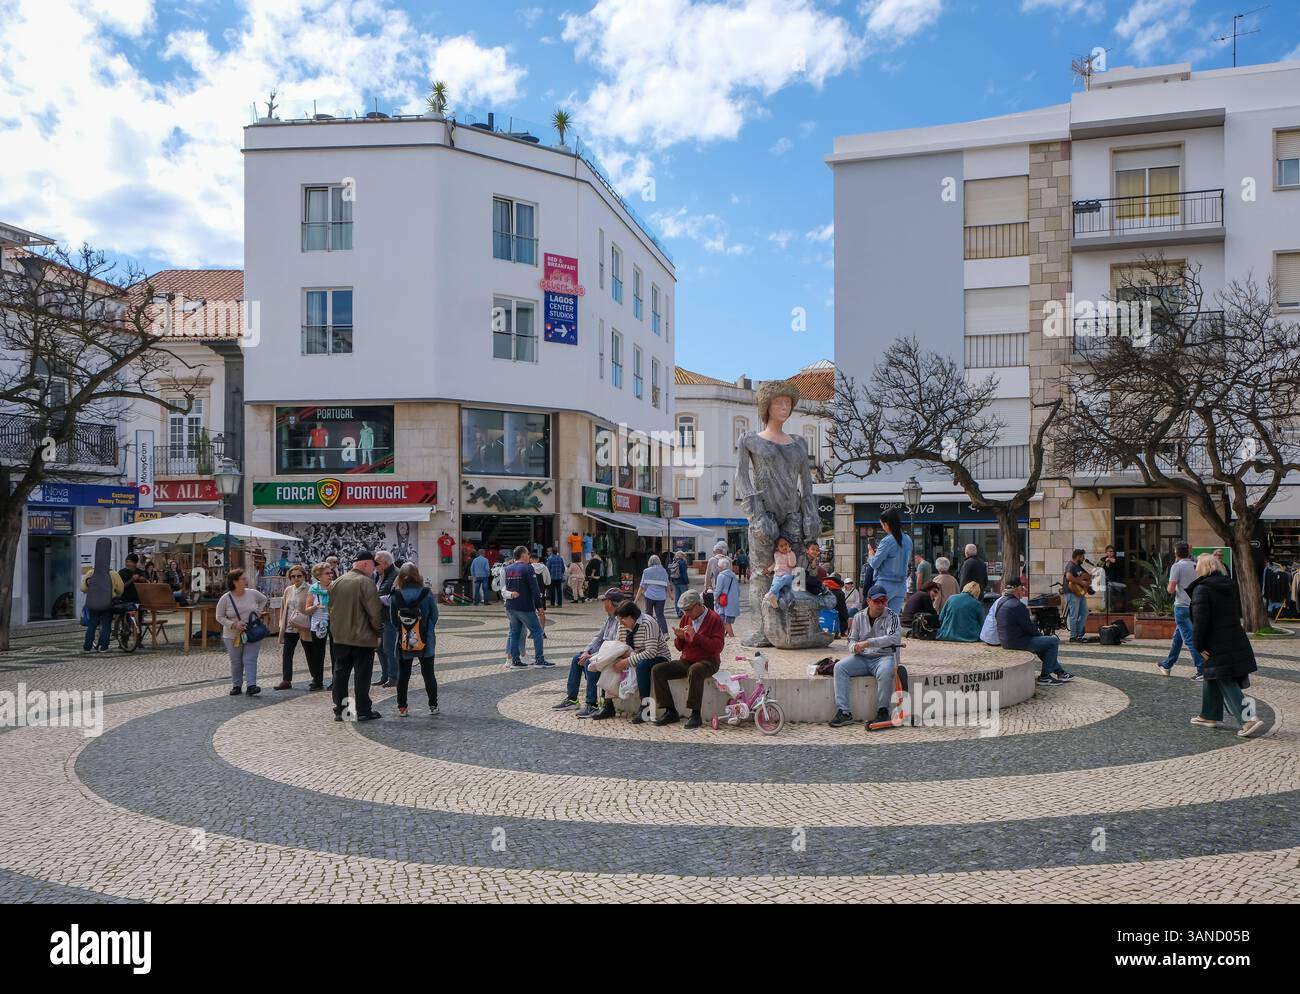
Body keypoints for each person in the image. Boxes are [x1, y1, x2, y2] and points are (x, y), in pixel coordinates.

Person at [1188, 554, 1265, 737]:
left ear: (1203, 568)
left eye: (1197, 565)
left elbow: (1200, 621)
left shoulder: (1202, 589)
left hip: (1216, 642)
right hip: (1233, 638)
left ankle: (1249, 719)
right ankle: (1208, 715)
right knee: (1213, 675)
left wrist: (1198, 645)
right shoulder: (1227, 586)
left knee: (1225, 678)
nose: (1195, 569)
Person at [828, 584, 902, 729]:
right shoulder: (858, 616)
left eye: (883, 601)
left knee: (886, 671)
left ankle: (883, 710)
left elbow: (893, 638)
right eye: (876, 601)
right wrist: (854, 647)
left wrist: (868, 643)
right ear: (868, 601)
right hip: (862, 657)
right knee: (839, 667)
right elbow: (851, 639)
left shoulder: (892, 616)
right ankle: (844, 711)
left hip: (884, 656)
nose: (880, 604)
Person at [649, 590, 725, 729]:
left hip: (708, 661)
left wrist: (696, 636)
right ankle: (670, 710)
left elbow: (718, 647)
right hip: (687, 660)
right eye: (684, 610)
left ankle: (695, 714)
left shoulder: (714, 619)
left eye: (688, 610)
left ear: (698, 605)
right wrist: (680, 638)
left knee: (695, 670)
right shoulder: (686, 618)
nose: (686, 614)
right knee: (658, 669)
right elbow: (679, 648)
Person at [329, 551, 386, 721]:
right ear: (366, 564)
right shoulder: (366, 582)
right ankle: (362, 710)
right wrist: (379, 632)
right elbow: (375, 612)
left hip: (340, 637)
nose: (374, 571)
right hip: (363, 638)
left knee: (340, 674)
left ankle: (342, 710)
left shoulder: (336, 582)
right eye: (373, 566)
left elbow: (330, 610)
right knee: (362, 675)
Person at [555, 588, 626, 717]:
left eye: (604, 600)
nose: (602, 603)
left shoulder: (621, 621)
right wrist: (586, 651)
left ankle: (592, 704)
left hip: (612, 656)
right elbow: (598, 638)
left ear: (610, 603)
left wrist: (592, 656)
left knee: (589, 662)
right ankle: (572, 699)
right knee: (577, 659)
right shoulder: (609, 619)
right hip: (602, 654)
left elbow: (615, 647)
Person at [600, 601, 671, 724]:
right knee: (609, 663)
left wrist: (627, 661)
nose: (621, 623)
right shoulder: (622, 624)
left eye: (623, 619)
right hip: (633, 654)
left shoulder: (648, 623)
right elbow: (619, 645)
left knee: (643, 666)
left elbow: (651, 652)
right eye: (619, 620)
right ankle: (608, 705)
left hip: (659, 656)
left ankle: (645, 708)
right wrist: (620, 656)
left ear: (632, 616)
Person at [996, 579, 1073, 686]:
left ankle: (1060, 672)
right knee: (1053, 641)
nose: (1024, 591)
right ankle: (1045, 676)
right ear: (1018, 589)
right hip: (1018, 642)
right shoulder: (1017, 605)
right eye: (1022, 588)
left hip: (1006, 641)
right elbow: (1029, 628)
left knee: (1043, 643)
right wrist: (1040, 636)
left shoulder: (1001, 602)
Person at [390, 563, 439, 717]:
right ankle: (433, 705)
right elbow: (434, 616)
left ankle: (402, 707)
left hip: (404, 640)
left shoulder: (396, 595)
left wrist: (404, 629)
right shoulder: (426, 593)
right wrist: (427, 628)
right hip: (426, 639)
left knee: (404, 675)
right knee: (428, 674)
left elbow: (393, 620)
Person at [216, 568, 270, 697]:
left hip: (252, 631)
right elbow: (219, 616)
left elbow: (264, 599)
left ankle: (251, 685)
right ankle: (237, 685)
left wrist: (258, 611)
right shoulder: (225, 598)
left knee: (250, 659)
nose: (246, 580)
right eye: (243, 578)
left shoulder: (252, 593)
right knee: (236, 661)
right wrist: (233, 624)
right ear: (234, 581)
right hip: (232, 635)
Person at [1159, 542, 1202, 680]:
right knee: (1178, 638)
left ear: (1176, 553)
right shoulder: (1196, 565)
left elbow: (1170, 589)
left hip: (1181, 606)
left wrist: (1169, 585)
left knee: (1189, 639)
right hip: (1194, 606)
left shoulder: (1176, 566)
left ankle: (1201, 669)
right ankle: (1167, 664)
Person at [275, 564, 321, 691]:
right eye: (293, 576)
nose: (296, 578)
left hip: (304, 625)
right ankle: (286, 680)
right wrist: (281, 624)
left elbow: (315, 606)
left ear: (304, 576)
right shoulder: (288, 590)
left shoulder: (311, 589)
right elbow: (284, 607)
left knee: (310, 653)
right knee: (287, 653)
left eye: (299, 576)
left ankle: (316, 679)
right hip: (290, 625)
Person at [504, 545, 548, 668]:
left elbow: (506, 588)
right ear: (523, 555)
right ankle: (540, 660)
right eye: (528, 553)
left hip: (511, 606)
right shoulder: (528, 568)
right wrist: (540, 607)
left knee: (514, 633)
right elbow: (535, 589)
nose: (529, 556)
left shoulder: (508, 568)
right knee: (538, 631)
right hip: (525, 606)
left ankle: (515, 661)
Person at [80, 538, 123, 652]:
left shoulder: (90, 572)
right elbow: (120, 590)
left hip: (93, 603)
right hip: (107, 603)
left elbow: (83, 588)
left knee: (92, 624)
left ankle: (87, 647)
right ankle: (104, 647)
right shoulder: (113, 574)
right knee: (106, 624)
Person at [868, 508, 913, 614]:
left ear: (887, 524)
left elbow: (874, 563)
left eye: (882, 525)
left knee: (876, 618)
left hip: (885, 584)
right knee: (893, 620)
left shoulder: (887, 541)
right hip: (901, 585)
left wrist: (871, 553)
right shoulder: (908, 539)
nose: (883, 528)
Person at [373, 551, 399, 688]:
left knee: (389, 648)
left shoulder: (396, 574)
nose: (374, 565)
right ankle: (384, 676)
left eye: (377, 562)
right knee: (379, 648)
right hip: (379, 617)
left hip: (390, 617)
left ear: (386, 563)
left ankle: (394, 677)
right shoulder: (378, 575)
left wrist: (378, 599)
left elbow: (396, 597)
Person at [1063, 548, 1091, 642]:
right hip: (1071, 593)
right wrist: (1082, 583)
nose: (1083, 559)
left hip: (1079, 593)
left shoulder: (1079, 567)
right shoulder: (1071, 565)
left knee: (1085, 612)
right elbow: (1068, 577)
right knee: (1074, 615)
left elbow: (1086, 575)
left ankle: (1079, 634)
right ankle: (1073, 636)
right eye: (1082, 557)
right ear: (1078, 557)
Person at [763, 536, 798, 607]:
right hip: (777, 576)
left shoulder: (791, 553)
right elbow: (775, 564)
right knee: (776, 587)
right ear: (777, 548)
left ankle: (770, 592)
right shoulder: (776, 554)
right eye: (781, 546)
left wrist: (789, 553)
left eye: (786, 544)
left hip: (788, 576)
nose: (784, 547)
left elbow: (792, 564)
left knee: (784, 578)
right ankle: (774, 601)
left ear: (789, 545)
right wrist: (769, 570)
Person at [713, 557, 741, 637]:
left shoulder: (721, 576)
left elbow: (718, 590)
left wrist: (715, 598)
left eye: (718, 566)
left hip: (724, 601)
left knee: (725, 620)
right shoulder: (733, 575)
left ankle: (732, 636)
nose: (718, 568)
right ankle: (723, 634)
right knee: (726, 619)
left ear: (721, 567)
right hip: (733, 600)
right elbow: (738, 590)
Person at [703, 541, 728, 610]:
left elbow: (708, 576)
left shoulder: (712, 560)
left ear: (717, 550)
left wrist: (706, 587)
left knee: (717, 606)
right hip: (728, 587)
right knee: (725, 605)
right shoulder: (728, 560)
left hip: (717, 587)